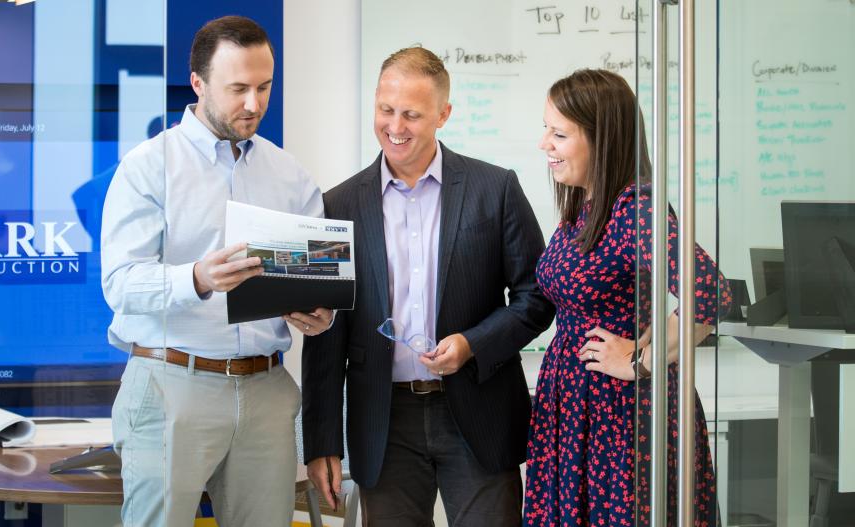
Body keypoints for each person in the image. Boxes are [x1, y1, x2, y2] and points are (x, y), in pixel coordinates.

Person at [302, 46, 555, 526]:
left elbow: (536, 297)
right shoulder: (337, 206)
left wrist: (472, 344)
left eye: (412, 114)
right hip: (383, 421)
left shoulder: (494, 189)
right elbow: (326, 333)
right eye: (385, 109)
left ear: (443, 114)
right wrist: (321, 443)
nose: (395, 125)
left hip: (478, 412)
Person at [100, 16, 332, 527]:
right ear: (199, 83)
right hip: (170, 385)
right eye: (238, 89)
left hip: (265, 389)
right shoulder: (147, 167)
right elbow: (119, 285)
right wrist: (197, 279)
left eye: (265, 86)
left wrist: (319, 314)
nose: (254, 104)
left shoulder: (288, 173)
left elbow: (317, 279)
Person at [525, 68, 732, 526]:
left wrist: (640, 360)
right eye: (546, 130)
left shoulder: (635, 208)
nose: (545, 144)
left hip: (620, 415)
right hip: (576, 407)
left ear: (603, 140)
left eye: (559, 134)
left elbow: (709, 293)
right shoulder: (585, 206)